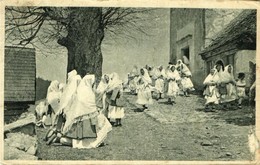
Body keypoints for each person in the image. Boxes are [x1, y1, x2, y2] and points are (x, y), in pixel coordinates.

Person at [60, 74, 112, 148]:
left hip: (79, 119)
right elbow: (91, 107)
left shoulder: (80, 91)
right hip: (87, 121)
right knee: (101, 122)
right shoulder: (88, 92)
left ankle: (72, 140)